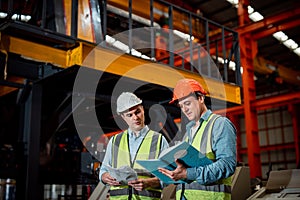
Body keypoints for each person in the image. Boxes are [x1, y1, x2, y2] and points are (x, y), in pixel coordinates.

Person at [159, 78, 237, 200]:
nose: (184, 110)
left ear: (200, 98)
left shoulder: (219, 124)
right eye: (181, 106)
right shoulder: (188, 132)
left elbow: (227, 165)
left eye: (188, 103)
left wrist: (187, 173)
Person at [99, 92, 169, 200]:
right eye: (129, 115)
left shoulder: (159, 140)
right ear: (123, 117)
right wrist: (104, 177)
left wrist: (150, 182)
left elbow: (169, 175)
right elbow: (103, 170)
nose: (135, 117)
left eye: (138, 112)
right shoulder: (115, 141)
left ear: (143, 110)